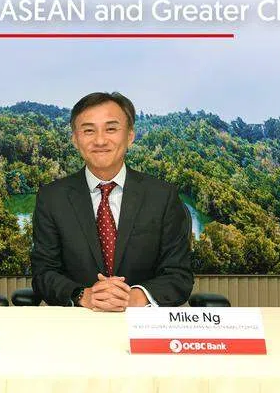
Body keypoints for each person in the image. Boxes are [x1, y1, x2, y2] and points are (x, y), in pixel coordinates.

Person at [31, 92, 193, 309]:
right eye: (89, 130)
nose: (100, 141)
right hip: (78, 320)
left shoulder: (162, 196)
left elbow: (179, 275)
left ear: (130, 136)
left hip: (141, 320)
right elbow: (43, 273)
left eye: (111, 129)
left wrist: (134, 297)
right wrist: (83, 295)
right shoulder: (52, 198)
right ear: (75, 140)